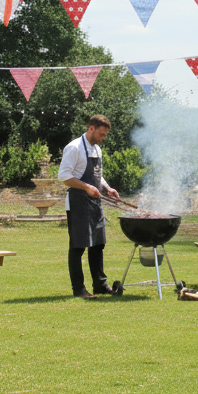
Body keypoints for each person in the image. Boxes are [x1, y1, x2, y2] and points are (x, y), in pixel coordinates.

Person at [58, 114, 122, 299]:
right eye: (101, 134)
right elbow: (64, 176)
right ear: (91, 128)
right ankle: (79, 289)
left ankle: (100, 285)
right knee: (78, 247)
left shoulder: (97, 149)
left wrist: (107, 188)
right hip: (77, 202)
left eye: (105, 135)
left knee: (98, 244)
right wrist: (86, 187)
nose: (103, 138)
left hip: (95, 202)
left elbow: (97, 175)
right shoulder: (74, 148)